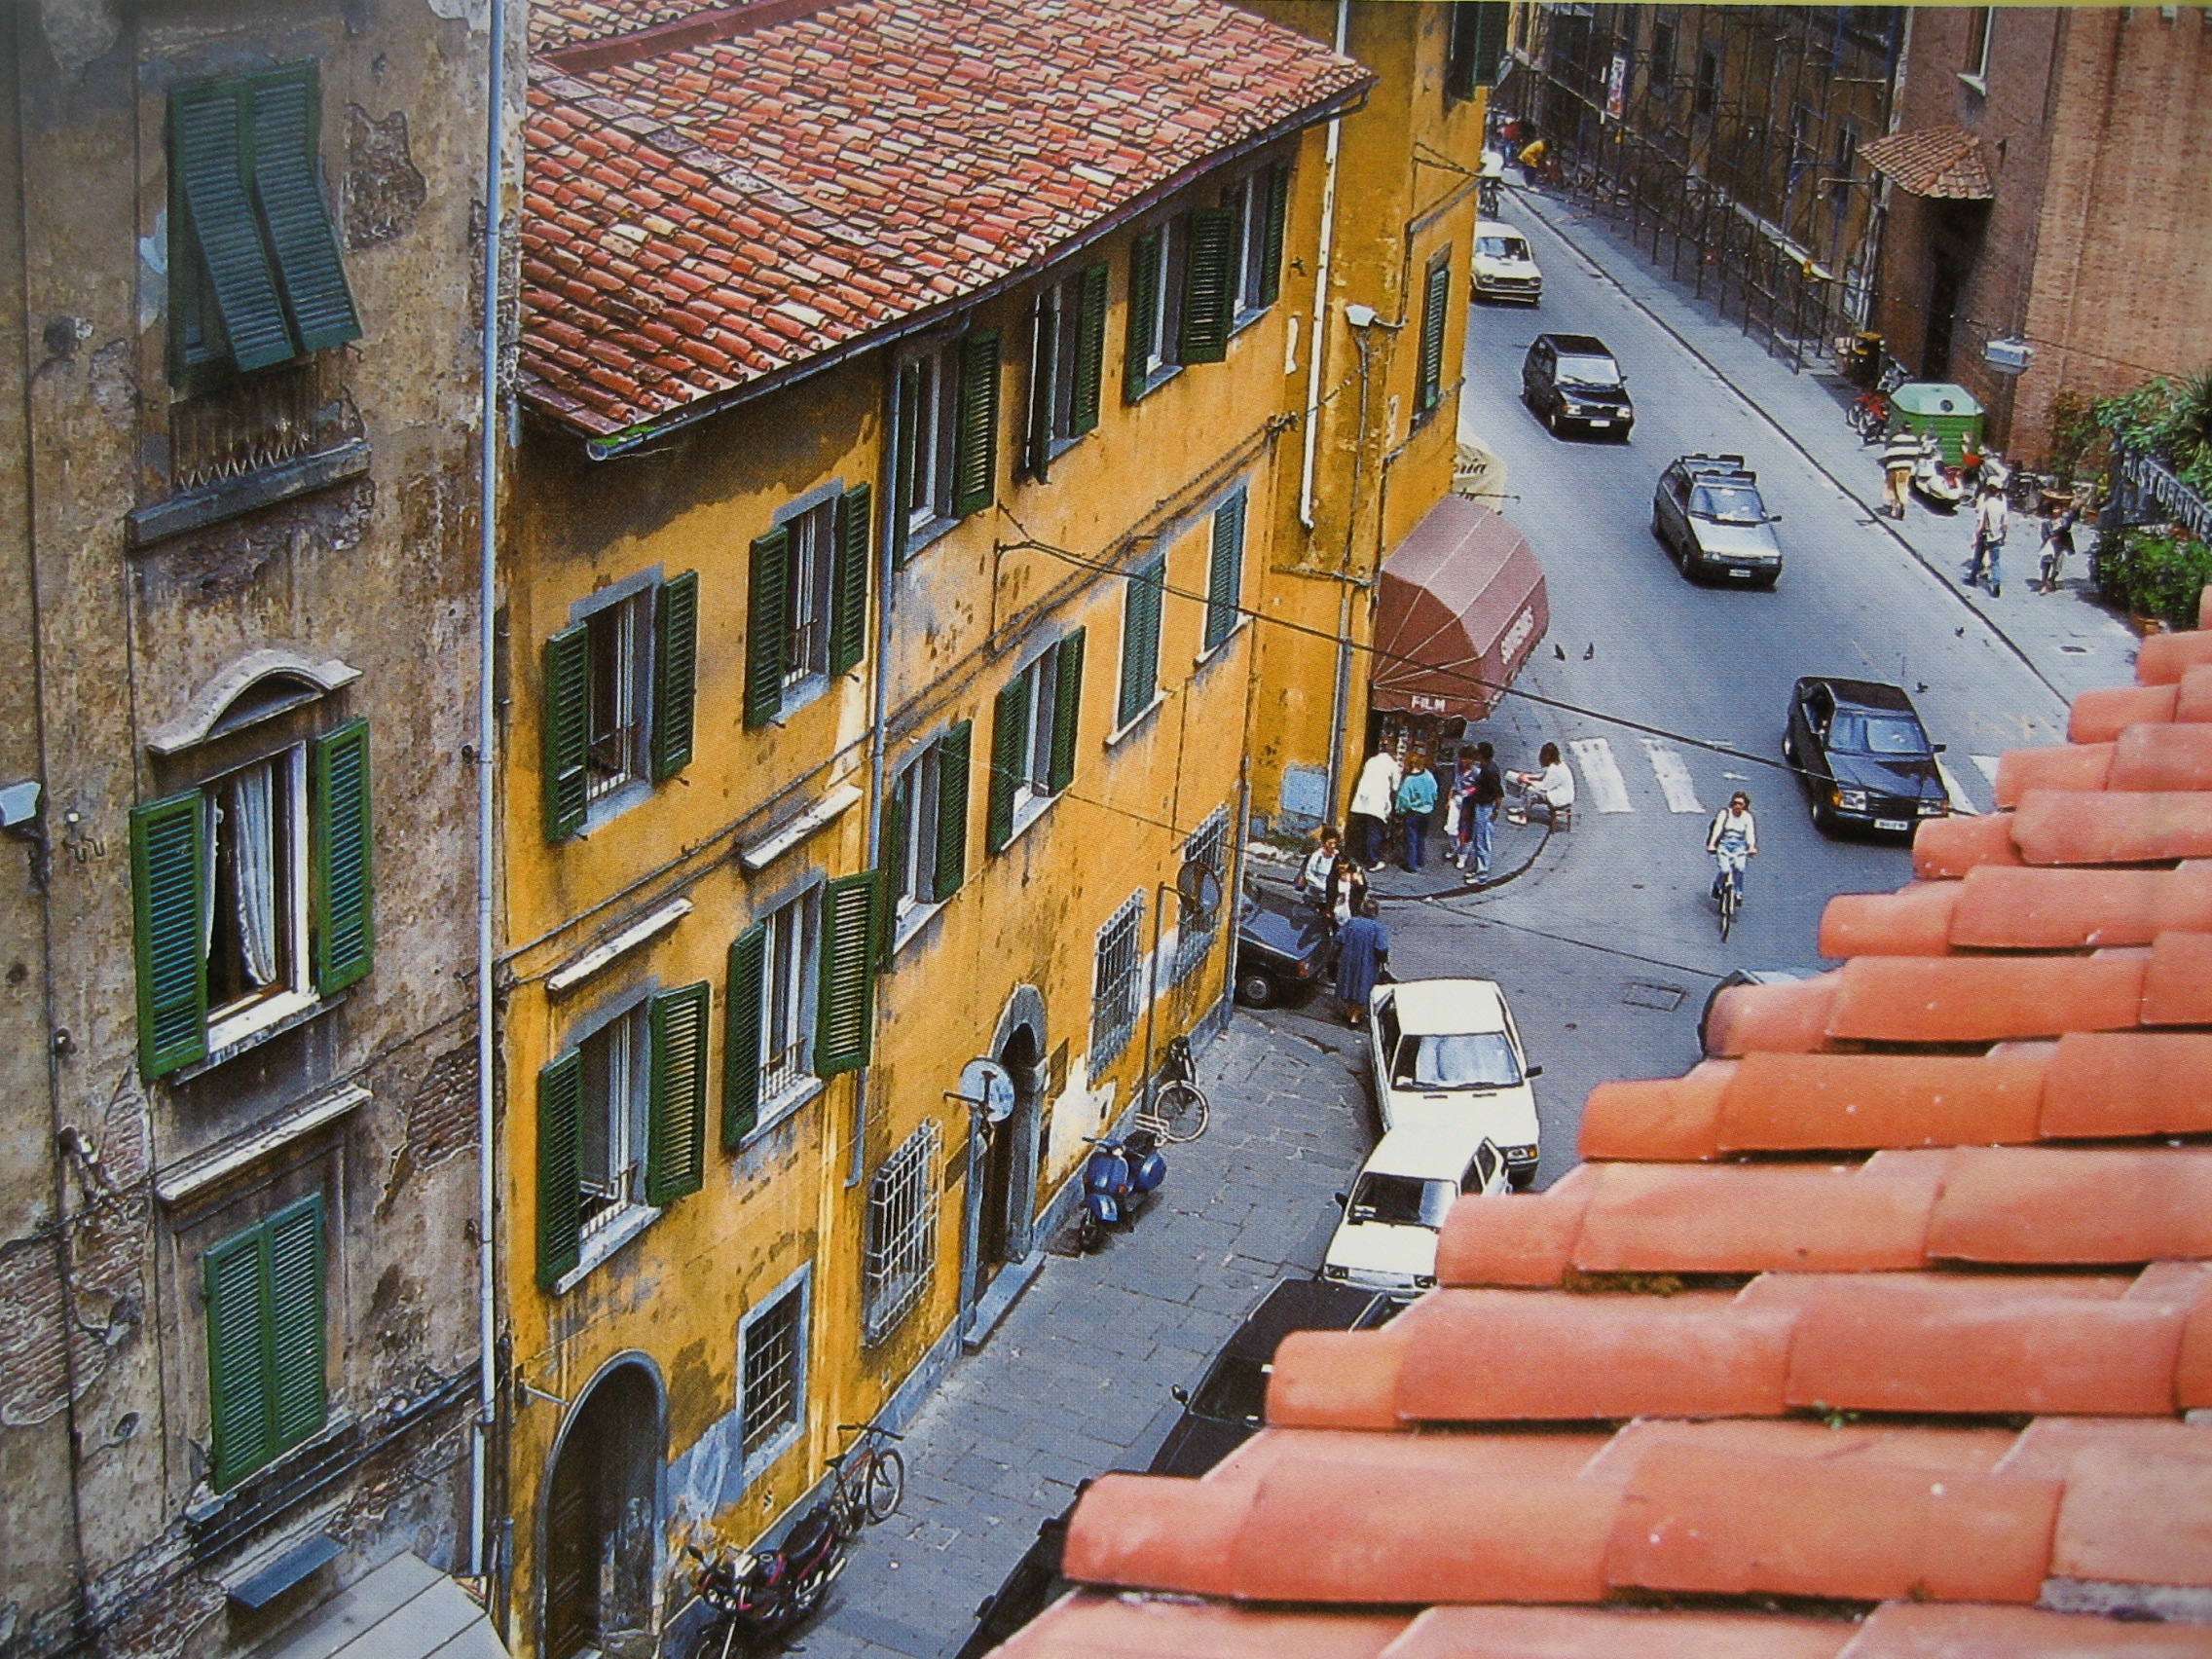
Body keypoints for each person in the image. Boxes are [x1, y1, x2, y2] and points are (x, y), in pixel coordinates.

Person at [1334, 894, 1389, 1028]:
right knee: (1363, 985)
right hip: (1367, 962)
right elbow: (1381, 948)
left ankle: (1348, 1011)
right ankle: (1355, 1016)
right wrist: (1383, 960)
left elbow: (1339, 937)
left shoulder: (1352, 923)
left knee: (1348, 982)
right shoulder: (1377, 928)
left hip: (1349, 959)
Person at [1348, 747, 1401, 867]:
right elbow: (1395, 786)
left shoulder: (1371, 761)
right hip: (1377, 802)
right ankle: (1372, 860)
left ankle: (1360, 855)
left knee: (1364, 829)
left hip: (1362, 801)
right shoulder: (1392, 765)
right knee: (1375, 831)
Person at [1459, 742, 1504, 876]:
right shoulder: (1486, 768)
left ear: (1481, 754)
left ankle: (1482, 873)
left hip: (1486, 807)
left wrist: (1496, 810)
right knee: (1478, 839)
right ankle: (1478, 867)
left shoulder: (1489, 771)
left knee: (1483, 840)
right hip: (1481, 806)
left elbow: (1499, 793)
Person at [1706, 791, 1758, 904]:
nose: (1737, 806)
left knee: (1739, 868)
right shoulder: (1724, 813)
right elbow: (1718, 828)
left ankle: (1738, 893)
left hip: (1739, 845)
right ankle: (1717, 885)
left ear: (1745, 806)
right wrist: (1712, 844)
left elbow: (1750, 833)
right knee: (1724, 870)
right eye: (1735, 803)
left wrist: (1751, 847)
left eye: (1740, 804)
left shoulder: (1747, 817)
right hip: (1724, 843)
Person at [1506, 742, 1575, 827]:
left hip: (1559, 798)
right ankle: (1523, 808)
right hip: (1564, 795)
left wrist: (1527, 781)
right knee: (1531, 789)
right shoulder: (1560, 765)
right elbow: (1543, 775)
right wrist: (1528, 776)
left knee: (1530, 790)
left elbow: (1543, 786)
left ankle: (1523, 817)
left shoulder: (1554, 770)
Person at [2038, 486, 2089, 593]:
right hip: (2050, 546)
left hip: (2060, 546)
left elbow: (2071, 518)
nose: (2057, 511)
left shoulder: (2063, 521)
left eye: (2058, 509)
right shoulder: (2047, 523)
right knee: (2046, 563)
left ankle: (2052, 579)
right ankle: (2044, 583)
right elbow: (2044, 535)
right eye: (2055, 509)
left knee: (2057, 566)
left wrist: (2077, 507)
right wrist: (2052, 537)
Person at [1967, 481, 2009, 597]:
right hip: (1997, 537)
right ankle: (1996, 586)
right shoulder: (2002, 503)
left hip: (1986, 536)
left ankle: (1972, 579)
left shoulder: (1986, 504)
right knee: (1995, 562)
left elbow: (1981, 524)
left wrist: (1976, 538)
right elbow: (2005, 523)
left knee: (1978, 558)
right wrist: (2004, 537)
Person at [1395, 761, 1438, 870]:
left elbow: (1403, 799)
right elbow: (1434, 792)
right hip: (1427, 811)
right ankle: (1421, 859)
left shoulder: (1409, 780)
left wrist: (1400, 811)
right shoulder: (1428, 774)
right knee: (1421, 836)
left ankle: (1411, 864)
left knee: (1411, 838)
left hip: (1413, 812)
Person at [1298, 826, 1342, 907]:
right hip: (1314, 892)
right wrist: (1322, 887)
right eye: (1330, 843)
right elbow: (1309, 874)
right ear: (1324, 843)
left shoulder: (1337, 856)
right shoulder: (1318, 855)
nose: (1333, 846)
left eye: (1335, 843)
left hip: (1328, 896)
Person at [1880, 426, 1918, 520]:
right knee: (1902, 486)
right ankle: (1902, 504)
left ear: (1901, 429)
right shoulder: (1914, 439)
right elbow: (1916, 453)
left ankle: (1894, 507)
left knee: (1891, 486)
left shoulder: (1896, 438)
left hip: (1894, 467)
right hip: (1907, 468)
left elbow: (1889, 452)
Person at [1327, 857, 1369, 931]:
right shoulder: (1332, 875)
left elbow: (1363, 890)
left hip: (1351, 906)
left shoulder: (1356, 873)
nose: (1341, 866)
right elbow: (1329, 892)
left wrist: (1359, 881)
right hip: (1337, 906)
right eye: (1338, 864)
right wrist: (1329, 909)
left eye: (1344, 864)